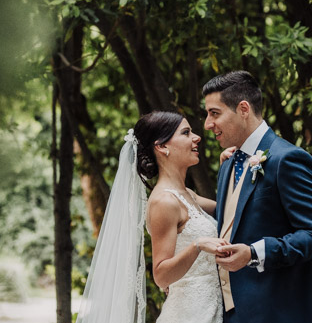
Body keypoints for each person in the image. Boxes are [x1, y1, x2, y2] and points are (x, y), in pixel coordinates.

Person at [76, 111, 232, 323]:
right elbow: (161, 275)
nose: (197, 137)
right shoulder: (164, 202)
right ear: (162, 146)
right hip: (189, 314)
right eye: (186, 133)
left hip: (209, 308)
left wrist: (228, 170)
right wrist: (197, 244)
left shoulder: (187, 195)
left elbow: (229, 210)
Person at [204, 70, 312, 323]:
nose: (207, 124)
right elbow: (234, 221)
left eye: (214, 113)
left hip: (278, 313)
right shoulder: (229, 164)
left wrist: (254, 253)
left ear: (243, 109)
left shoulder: (288, 159)